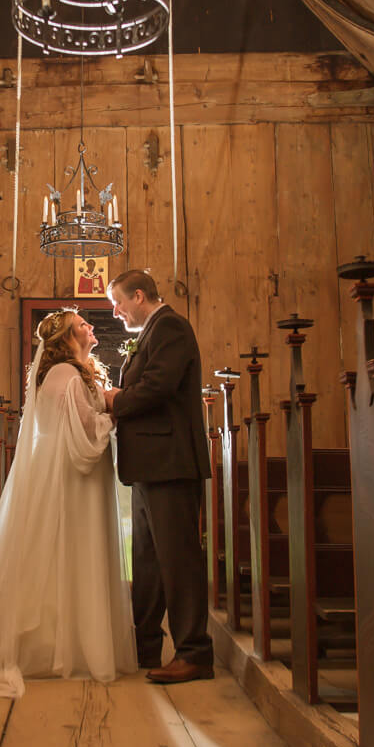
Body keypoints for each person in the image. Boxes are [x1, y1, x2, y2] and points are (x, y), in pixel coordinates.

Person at [0, 308, 136, 699]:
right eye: (80, 324)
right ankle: (58, 646)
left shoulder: (70, 373)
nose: (89, 326)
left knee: (70, 554)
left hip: (70, 472)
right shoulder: (63, 374)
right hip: (70, 476)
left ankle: (69, 640)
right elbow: (85, 430)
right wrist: (114, 415)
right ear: (67, 338)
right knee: (66, 551)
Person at [103, 269, 215, 683]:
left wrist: (116, 399)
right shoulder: (154, 331)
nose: (115, 312)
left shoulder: (170, 327)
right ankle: (145, 645)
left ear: (137, 295)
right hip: (151, 464)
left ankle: (195, 653)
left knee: (179, 560)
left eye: (117, 302)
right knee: (148, 563)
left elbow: (157, 386)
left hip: (171, 463)